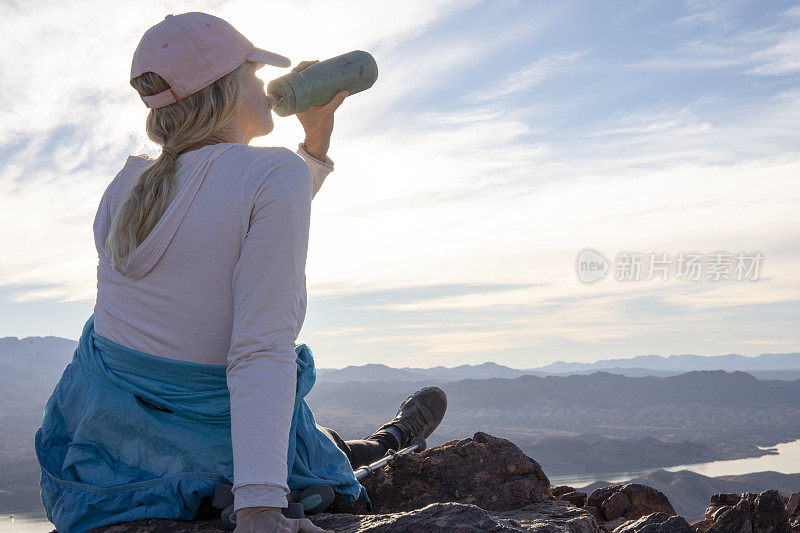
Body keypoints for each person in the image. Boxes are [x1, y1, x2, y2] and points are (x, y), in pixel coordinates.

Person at [35, 11, 447, 533]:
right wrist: (259, 509)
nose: (265, 83)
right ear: (228, 88)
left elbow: (226, 235)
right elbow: (261, 346)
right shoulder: (274, 172)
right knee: (329, 469)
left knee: (312, 444)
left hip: (116, 436)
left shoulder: (129, 183)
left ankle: (375, 440)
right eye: (254, 71)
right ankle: (393, 441)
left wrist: (315, 140)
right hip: (204, 435)